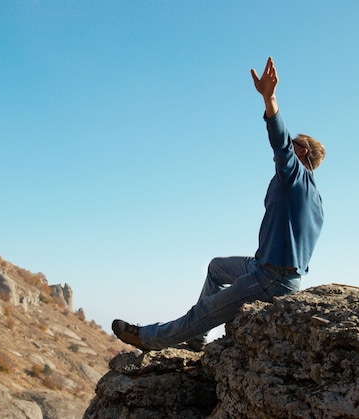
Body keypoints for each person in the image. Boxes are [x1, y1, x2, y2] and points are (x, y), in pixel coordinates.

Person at [112, 57, 326, 352]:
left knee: (206, 310)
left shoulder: (295, 177)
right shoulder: (312, 196)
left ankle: (150, 338)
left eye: (295, 143)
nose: (290, 144)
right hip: (266, 267)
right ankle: (197, 339)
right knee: (216, 267)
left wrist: (269, 98)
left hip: (272, 278)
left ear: (302, 152)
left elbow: (279, 142)